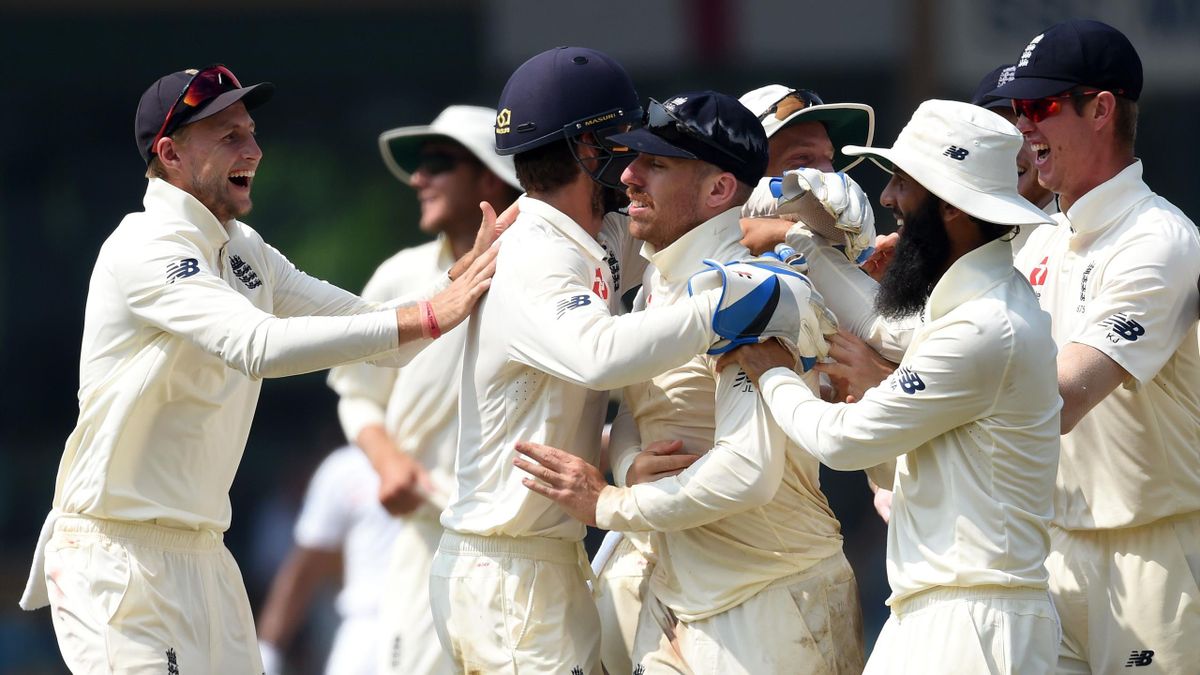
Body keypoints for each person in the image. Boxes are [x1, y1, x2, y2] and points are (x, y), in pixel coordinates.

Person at [18, 64, 497, 674]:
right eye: (229, 137)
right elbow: (258, 345)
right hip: (118, 556)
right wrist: (431, 314)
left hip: (206, 556)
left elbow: (383, 338)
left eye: (251, 131)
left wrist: (461, 281)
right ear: (170, 153)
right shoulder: (143, 245)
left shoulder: (246, 251)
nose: (255, 149)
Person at [429, 47, 824, 674]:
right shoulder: (535, 252)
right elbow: (599, 356)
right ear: (591, 150)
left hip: (541, 559)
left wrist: (800, 226)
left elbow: (700, 227)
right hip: (509, 566)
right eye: (627, 142)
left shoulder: (590, 233)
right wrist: (731, 306)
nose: (636, 165)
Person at [514, 90, 863, 674]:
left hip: (773, 600)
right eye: (633, 159)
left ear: (719, 190)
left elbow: (748, 475)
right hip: (681, 595)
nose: (627, 177)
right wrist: (627, 466)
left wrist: (608, 503)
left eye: (656, 164)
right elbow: (635, 412)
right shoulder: (660, 280)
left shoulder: (751, 285)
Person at [722, 99, 1062, 673]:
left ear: (951, 206)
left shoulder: (986, 326)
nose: (886, 200)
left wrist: (771, 371)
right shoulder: (977, 304)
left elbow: (844, 441)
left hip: (975, 625)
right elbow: (881, 323)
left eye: (903, 183)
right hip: (941, 612)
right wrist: (799, 240)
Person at [991, 19, 1200, 673]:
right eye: (1018, 108)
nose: (1023, 125)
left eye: (1042, 106)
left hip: (1155, 556)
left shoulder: (1160, 241)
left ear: (1102, 109)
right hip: (1050, 552)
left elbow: (1054, 402)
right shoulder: (1044, 240)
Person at [327, 104, 521, 675]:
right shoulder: (399, 276)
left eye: (436, 162)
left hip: (530, 543)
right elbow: (355, 389)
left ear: (489, 177)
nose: (418, 179)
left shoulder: (549, 272)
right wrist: (387, 463)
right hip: (426, 542)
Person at [257, 445, 402, 675]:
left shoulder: (456, 456)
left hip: (441, 625)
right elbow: (305, 568)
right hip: (367, 626)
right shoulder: (345, 468)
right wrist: (268, 650)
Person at [971, 64, 1056, 253]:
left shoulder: (1076, 244)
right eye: (995, 133)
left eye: (1024, 132)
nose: (1010, 150)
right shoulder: (943, 250)